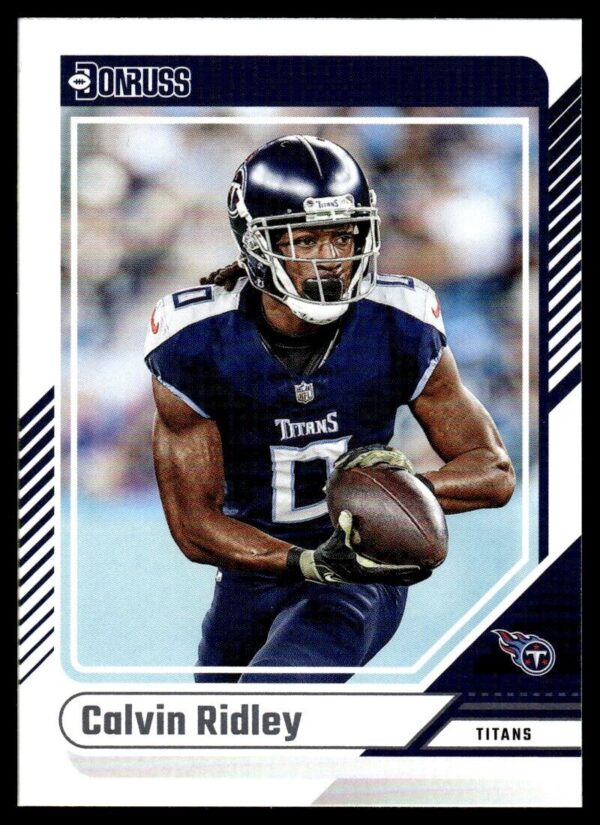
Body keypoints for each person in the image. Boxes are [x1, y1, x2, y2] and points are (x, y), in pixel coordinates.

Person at [144, 134, 515, 683]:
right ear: (255, 245)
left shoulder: (400, 322)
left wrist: (399, 495)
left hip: (361, 572)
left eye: (343, 236)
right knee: (219, 719)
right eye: (306, 239)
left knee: (277, 697)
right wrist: (306, 562)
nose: (332, 260)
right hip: (251, 566)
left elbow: (494, 472)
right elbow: (194, 525)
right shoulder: (197, 340)